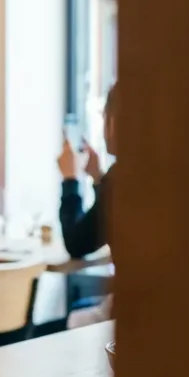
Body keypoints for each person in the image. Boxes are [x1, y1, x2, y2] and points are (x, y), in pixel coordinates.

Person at [58, 82, 117, 329]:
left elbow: (77, 243)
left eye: (105, 118)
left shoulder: (124, 176)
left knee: (66, 320)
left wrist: (70, 180)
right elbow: (109, 215)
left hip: (127, 313)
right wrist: (97, 178)